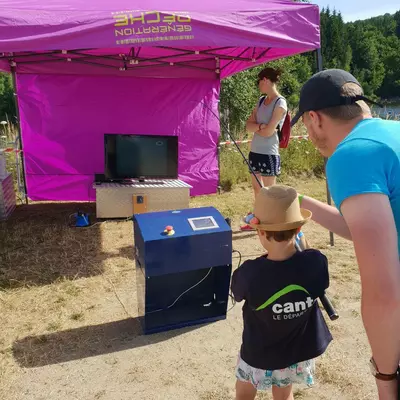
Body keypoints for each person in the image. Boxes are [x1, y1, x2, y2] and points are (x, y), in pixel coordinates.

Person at [291, 68, 400, 400]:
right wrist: (302, 202)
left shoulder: (350, 155)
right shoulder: (391, 133)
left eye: (306, 125)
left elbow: (384, 292)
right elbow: (375, 230)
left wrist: (385, 377)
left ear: (314, 119)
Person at [231, 185, 332, 400]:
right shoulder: (315, 262)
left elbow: (237, 292)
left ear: (260, 231)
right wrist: (304, 248)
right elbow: (317, 276)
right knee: (284, 395)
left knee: (244, 394)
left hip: (258, 353)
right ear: (297, 230)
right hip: (294, 355)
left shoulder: (250, 272)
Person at [241, 67, 288, 231]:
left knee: (270, 191)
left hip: (269, 152)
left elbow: (270, 132)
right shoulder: (261, 101)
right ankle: (258, 221)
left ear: (266, 80)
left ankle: (273, 223)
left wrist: (258, 128)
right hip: (255, 151)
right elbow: (248, 125)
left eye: (259, 82)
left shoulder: (280, 102)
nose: (258, 85)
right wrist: (261, 126)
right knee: (257, 189)